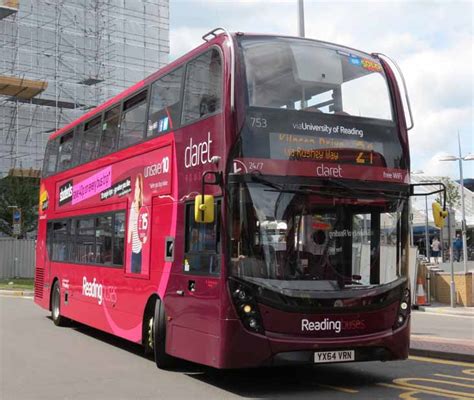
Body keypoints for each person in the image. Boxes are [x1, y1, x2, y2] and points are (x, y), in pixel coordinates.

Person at [127, 173, 144, 273]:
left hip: (140, 250)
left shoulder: (143, 206)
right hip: (134, 250)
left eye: (137, 187)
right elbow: (130, 225)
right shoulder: (133, 205)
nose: (136, 190)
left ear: (141, 189)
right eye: (135, 187)